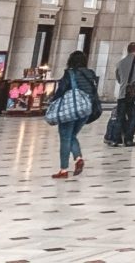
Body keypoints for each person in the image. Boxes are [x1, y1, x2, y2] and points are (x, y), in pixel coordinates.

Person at [50, 49, 99, 180]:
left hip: (70, 109)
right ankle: (78, 159)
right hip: (85, 110)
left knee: (65, 138)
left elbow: (61, 91)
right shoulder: (91, 74)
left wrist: (52, 102)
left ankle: (64, 169)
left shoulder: (70, 74)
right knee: (72, 135)